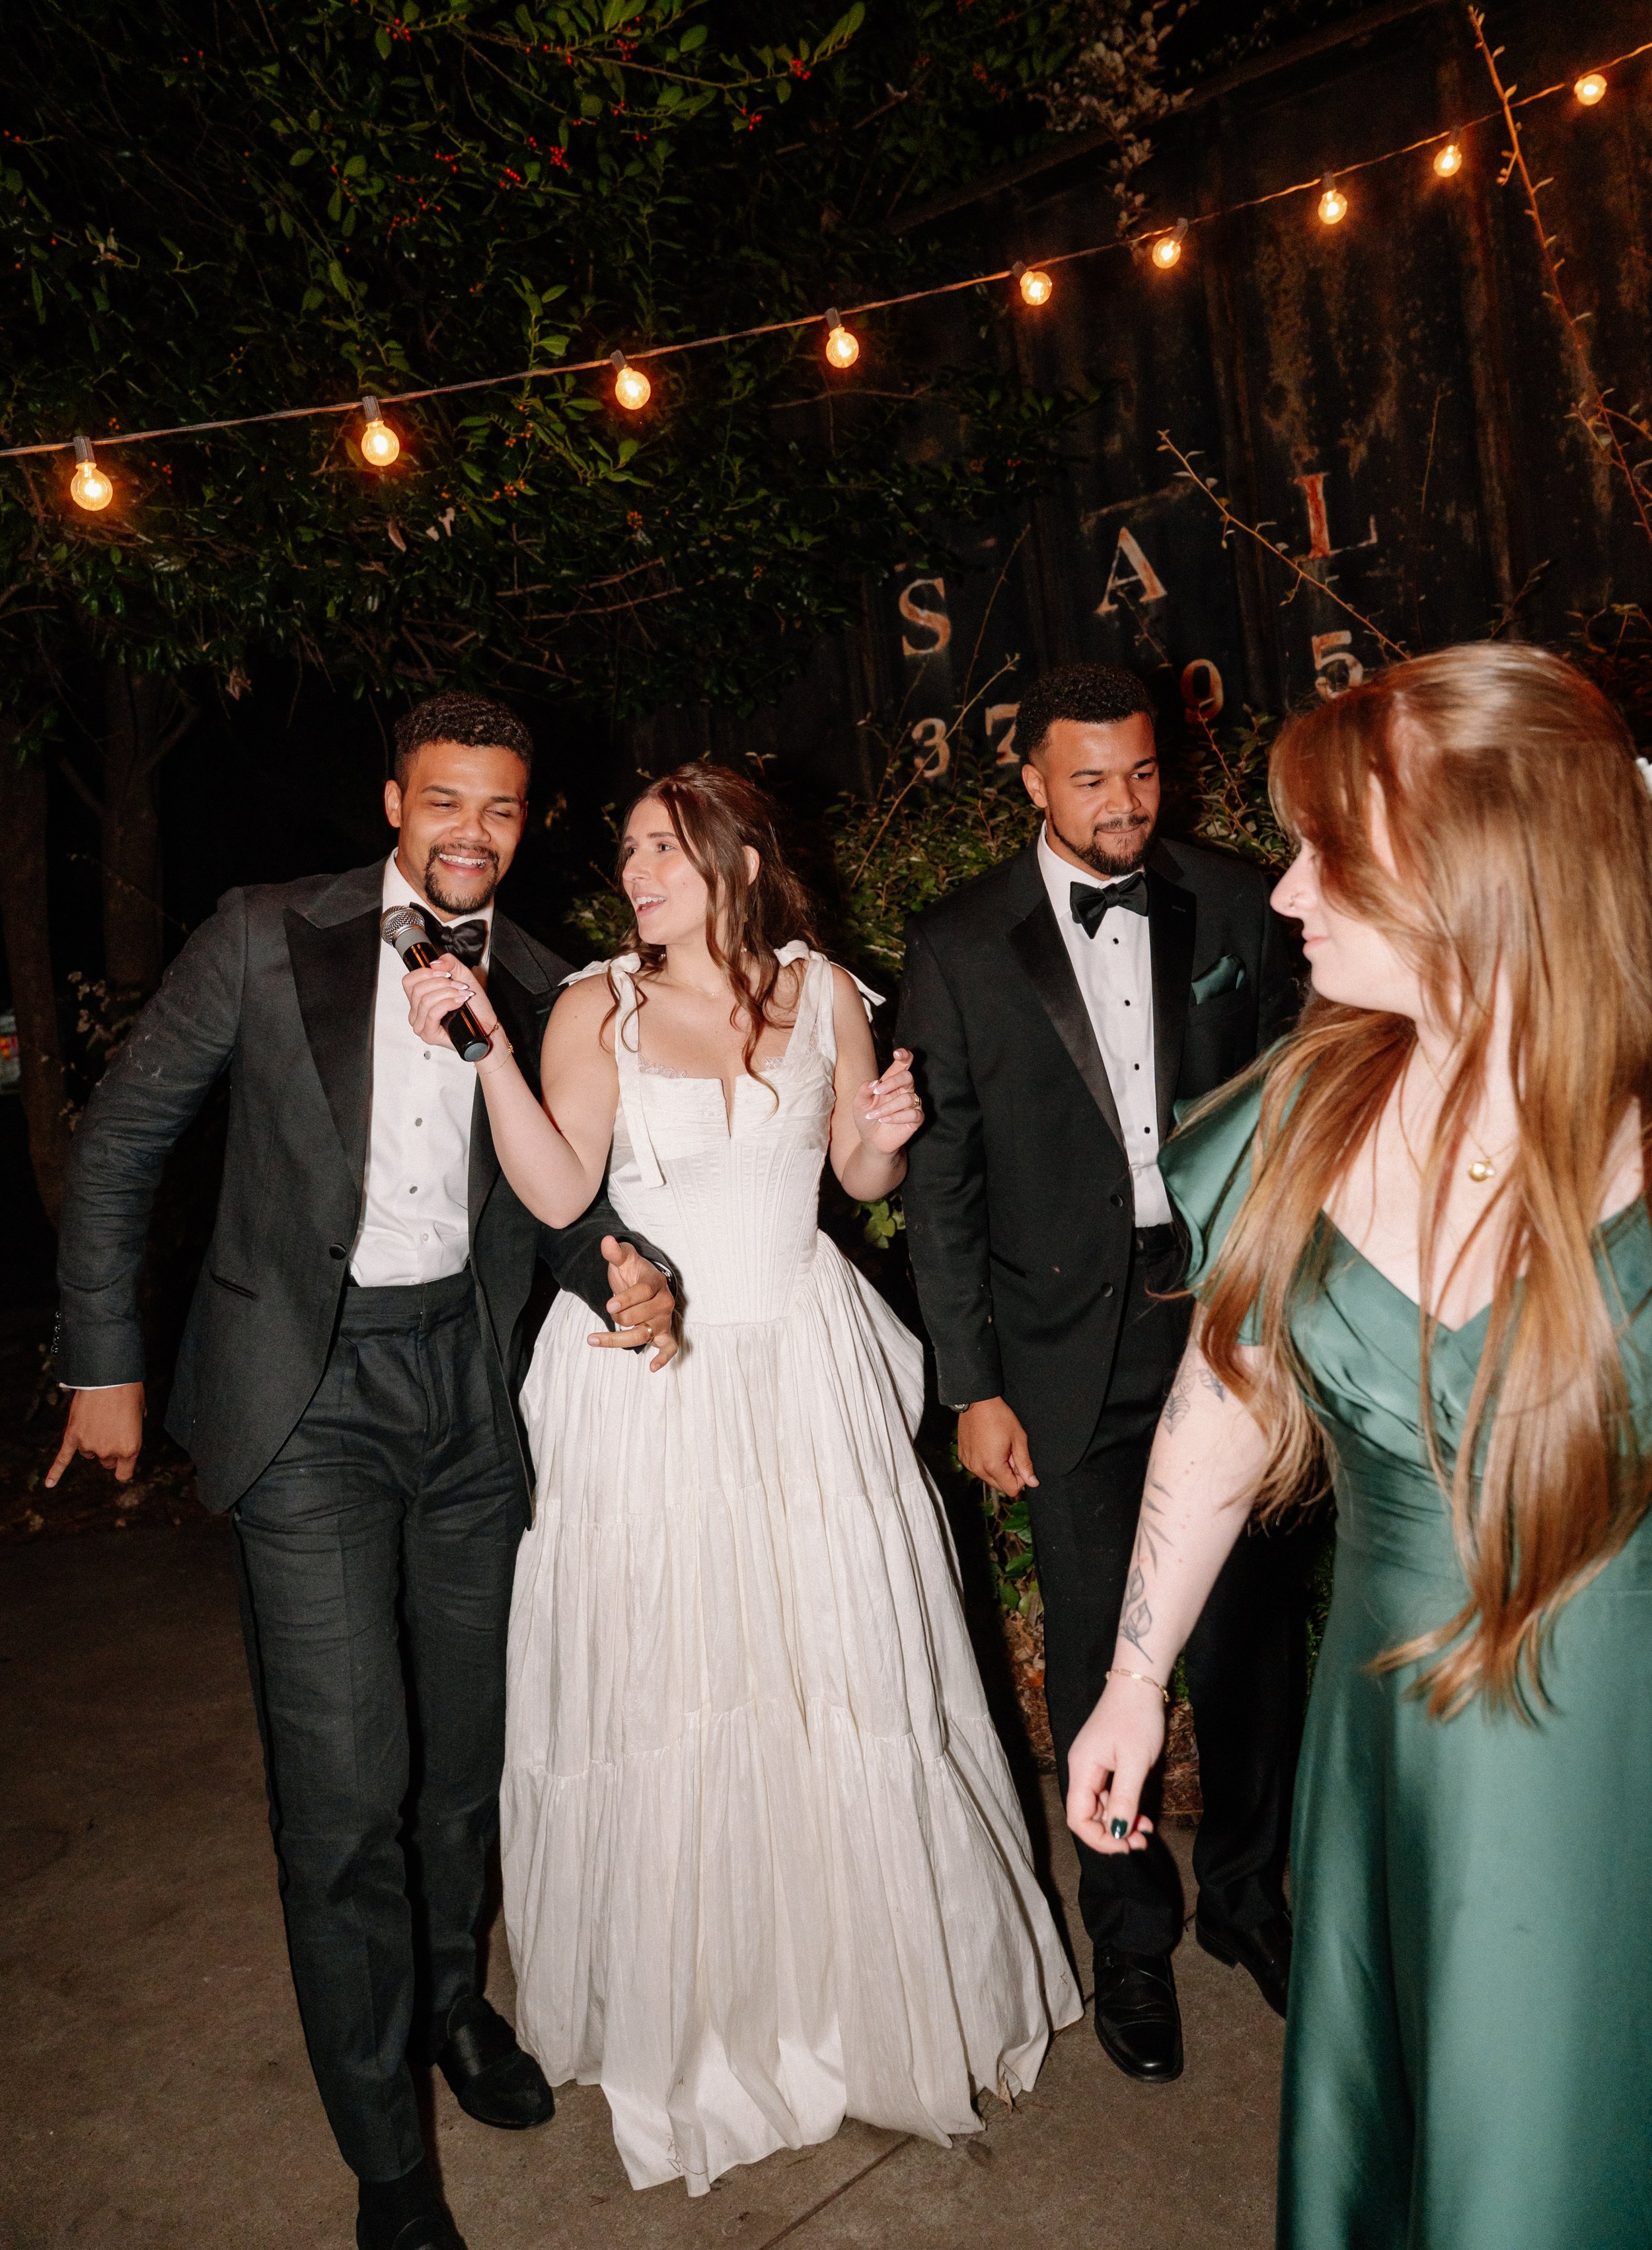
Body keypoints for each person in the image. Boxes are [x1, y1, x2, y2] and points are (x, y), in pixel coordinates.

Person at [48, 694, 680, 2250]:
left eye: (502, 809)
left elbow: (557, 1194)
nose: (473, 832)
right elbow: (123, 1139)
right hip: (307, 1399)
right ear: (394, 800)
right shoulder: (266, 933)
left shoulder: (543, 979)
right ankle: (387, 2164)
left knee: (463, 1761)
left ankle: (454, 2007)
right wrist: (102, 1359)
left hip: (466, 1393)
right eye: (444, 801)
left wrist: (629, 1276)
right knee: (343, 1794)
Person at [402, 759, 1082, 2196]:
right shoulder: (595, 1004)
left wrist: (881, 1137)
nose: (635, 874)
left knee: (835, 1678)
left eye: (663, 848)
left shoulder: (825, 992)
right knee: (680, 1688)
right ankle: (710, 2015)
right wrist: (488, 1054)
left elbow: (855, 1175)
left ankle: (856, 1998)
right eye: (629, 850)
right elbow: (555, 1189)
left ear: (742, 859)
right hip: (651, 1384)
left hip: (806, 1366)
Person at [1067, 642, 1652, 2249]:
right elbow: (1224, 1401)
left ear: (1480, 870)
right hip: (1384, 1726)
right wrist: (1132, 1679)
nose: (1283, 892)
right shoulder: (1299, 1112)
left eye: (1331, 851)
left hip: (1615, 1746)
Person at [896, 660, 1305, 2085]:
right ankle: (1128, 1934)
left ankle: (1247, 1897)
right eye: (1089, 779)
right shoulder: (958, 942)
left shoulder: (1243, 901)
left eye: (1140, 772)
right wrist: (972, 1385)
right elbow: (938, 1180)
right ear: (1029, 782)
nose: (1124, 802)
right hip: (1060, 1350)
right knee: (1092, 1650)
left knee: (1251, 1635)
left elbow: (1294, 1104)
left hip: (1228, 1320)